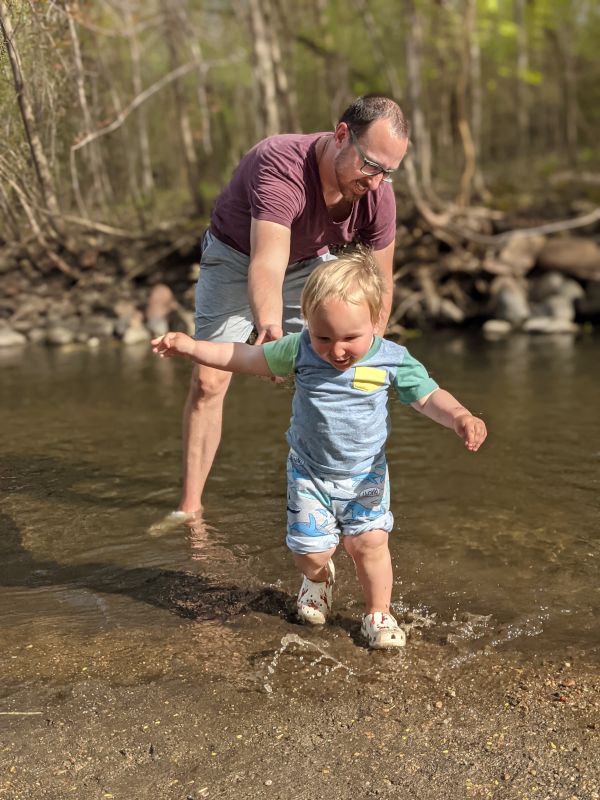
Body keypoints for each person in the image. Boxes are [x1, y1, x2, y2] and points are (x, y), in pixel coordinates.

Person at [152, 248, 488, 649]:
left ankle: (378, 613)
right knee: (312, 552)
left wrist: (460, 416)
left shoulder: (392, 361)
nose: (337, 350)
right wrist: (193, 347)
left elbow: (429, 396)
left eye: (351, 337)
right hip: (309, 474)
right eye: (324, 336)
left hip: (366, 475)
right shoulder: (299, 350)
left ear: (376, 321)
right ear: (308, 324)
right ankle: (318, 579)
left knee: (370, 544)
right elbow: (242, 355)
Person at [175, 94, 410, 519]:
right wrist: (269, 329)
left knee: (335, 363)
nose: (376, 182)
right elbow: (267, 261)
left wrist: (369, 348)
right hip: (237, 256)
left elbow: (380, 284)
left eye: (388, 173)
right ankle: (190, 510)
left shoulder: (378, 196)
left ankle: (335, 495)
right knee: (210, 382)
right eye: (371, 165)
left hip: (311, 262)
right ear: (342, 136)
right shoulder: (281, 163)